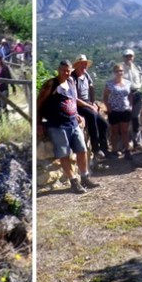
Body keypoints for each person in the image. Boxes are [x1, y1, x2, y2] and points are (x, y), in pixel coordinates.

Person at [39, 60, 100, 194]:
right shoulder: (51, 84)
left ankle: (85, 177)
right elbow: (40, 102)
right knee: (64, 154)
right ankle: (73, 181)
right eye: (63, 70)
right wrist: (38, 123)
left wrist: (77, 113)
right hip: (57, 125)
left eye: (68, 71)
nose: (65, 73)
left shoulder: (71, 82)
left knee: (82, 150)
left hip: (72, 122)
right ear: (58, 70)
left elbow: (73, 99)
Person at [72, 55, 110, 158]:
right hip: (78, 105)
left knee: (103, 124)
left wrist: (93, 102)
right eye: (82, 64)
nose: (84, 66)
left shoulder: (86, 75)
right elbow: (74, 98)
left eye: (85, 64)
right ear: (77, 65)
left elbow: (91, 88)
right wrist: (89, 106)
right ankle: (95, 147)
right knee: (92, 116)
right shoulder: (73, 78)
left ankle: (104, 149)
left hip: (87, 103)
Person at [103, 63, 133, 159]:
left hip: (125, 109)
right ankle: (114, 150)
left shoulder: (128, 83)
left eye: (121, 71)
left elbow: (130, 95)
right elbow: (105, 97)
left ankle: (127, 150)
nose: (119, 73)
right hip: (114, 110)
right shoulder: (109, 84)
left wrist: (131, 105)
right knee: (114, 132)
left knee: (125, 131)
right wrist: (108, 107)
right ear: (114, 72)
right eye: (117, 71)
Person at [121, 49, 142, 149]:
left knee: (136, 118)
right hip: (126, 95)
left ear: (133, 57)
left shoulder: (137, 68)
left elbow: (141, 80)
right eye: (126, 56)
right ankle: (127, 143)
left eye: (130, 56)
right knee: (126, 119)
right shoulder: (121, 69)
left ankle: (137, 141)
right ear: (124, 57)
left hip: (136, 93)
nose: (128, 58)